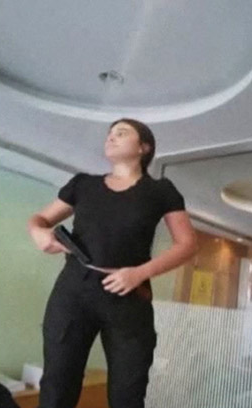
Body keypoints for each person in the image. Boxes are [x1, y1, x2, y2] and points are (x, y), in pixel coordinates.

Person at [27, 118, 198, 408]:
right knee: (57, 386)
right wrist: (38, 233)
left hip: (129, 294)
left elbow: (188, 244)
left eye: (121, 133)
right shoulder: (83, 184)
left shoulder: (161, 190)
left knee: (128, 393)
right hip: (74, 289)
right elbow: (40, 219)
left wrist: (139, 273)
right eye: (109, 134)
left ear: (144, 147)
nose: (111, 137)